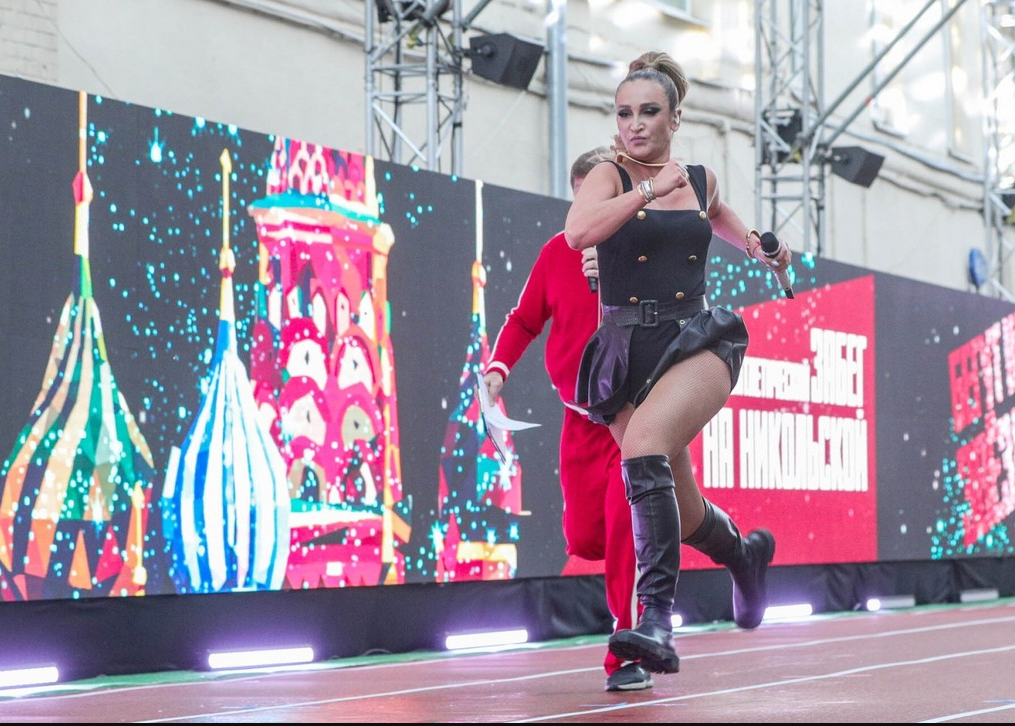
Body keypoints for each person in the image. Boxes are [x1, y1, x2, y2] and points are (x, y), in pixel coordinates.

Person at [564, 51, 790, 675]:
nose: (634, 124)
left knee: (642, 447)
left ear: (675, 117)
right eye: (624, 113)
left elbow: (723, 221)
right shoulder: (609, 176)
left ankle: (657, 621)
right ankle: (743, 554)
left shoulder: (699, 178)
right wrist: (645, 191)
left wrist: (763, 250)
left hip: (695, 341)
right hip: (623, 352)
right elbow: (578, 233)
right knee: (683, 510)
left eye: (648, 112)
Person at [482, 148, 652, 692]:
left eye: (602, 196)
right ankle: (645, 587)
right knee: (585, 537)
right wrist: (498, 369)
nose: (589, 209)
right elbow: (524, 319)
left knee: (625, 533)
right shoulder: (557, 252)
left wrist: (621, 272)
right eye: (582, 198)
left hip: (632, 422)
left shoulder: (647, 248)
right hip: (579, 422)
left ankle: (628, 650)